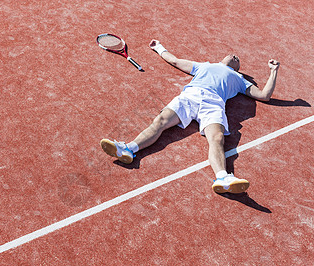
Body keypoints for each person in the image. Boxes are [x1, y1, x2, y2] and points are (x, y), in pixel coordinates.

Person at [100, 39, 280, 194]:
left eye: (237, 59)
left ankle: (223, 178)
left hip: (214, 103)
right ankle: (128, 149)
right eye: (232, 55)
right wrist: (159, 47)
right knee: (160, 121)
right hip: (190, 96)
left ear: (238, 68)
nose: (234, 56)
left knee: (217, 138)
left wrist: (273, 71)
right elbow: (176, 61)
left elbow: (264, 95)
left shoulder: (239, 79)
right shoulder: (206, 65)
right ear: (221, 59)